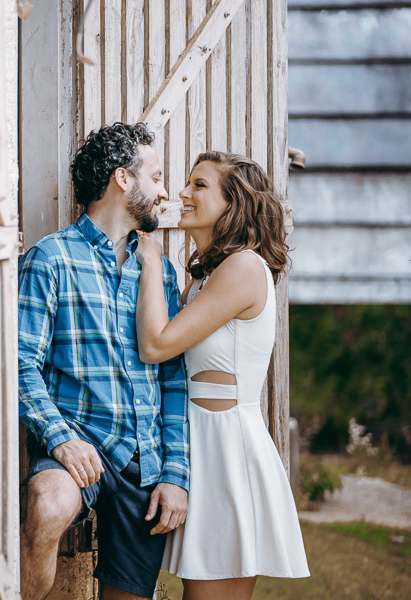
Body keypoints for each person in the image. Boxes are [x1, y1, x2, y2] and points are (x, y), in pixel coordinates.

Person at [18, 122, 189, 600]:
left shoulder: (156, 269)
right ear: (122, 179)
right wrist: (60, 439)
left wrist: (175, 474)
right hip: (79, 439)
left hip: (143, 457)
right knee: (48, 505)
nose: (164, 191)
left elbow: (173, 376)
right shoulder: (50, 259)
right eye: (155, 177)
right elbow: (19, 363)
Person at [134, 151, 310, 600]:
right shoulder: (205, 277)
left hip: (229, 453)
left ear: (234, 204)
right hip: (200, 448)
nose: (182, 194)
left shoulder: (244, 268)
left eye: (199, 186)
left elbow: (156, 345)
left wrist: (152, 263)